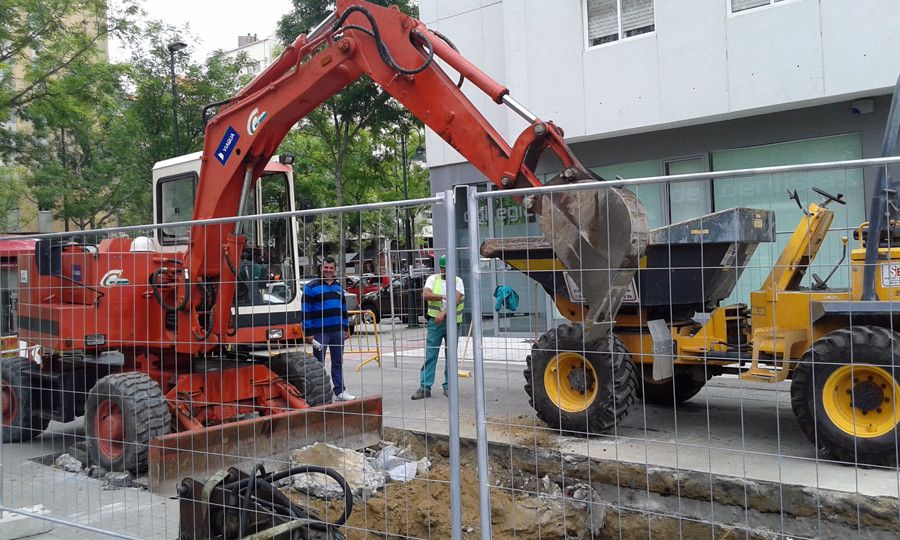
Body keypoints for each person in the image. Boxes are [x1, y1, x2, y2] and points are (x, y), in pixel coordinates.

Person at [412, 254, 464, 400]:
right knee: (431, 355)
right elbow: (426, 294)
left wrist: (443, 313)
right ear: (441, 268)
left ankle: (449, 386)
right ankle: (425, 387)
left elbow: (456, 299)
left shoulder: (458, 281)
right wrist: (442, 296)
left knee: (451, 356)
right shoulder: (432, 279)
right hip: (434, 324)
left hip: (452, 323)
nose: (445, 271)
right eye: (443, 268)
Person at [303, 256, 355, 401]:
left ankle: (340, 391)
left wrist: (345, 328)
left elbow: (343, 308)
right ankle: (319, 394)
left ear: (335, 269)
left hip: (337, 331)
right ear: (321, 268)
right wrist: (308, 332)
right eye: (326, 267)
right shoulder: (310, 287)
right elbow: (305, 310)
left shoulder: (339, 287)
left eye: (331, 268)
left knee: (338, 362)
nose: (328, 270)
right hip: (319, 333)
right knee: (318, 364)